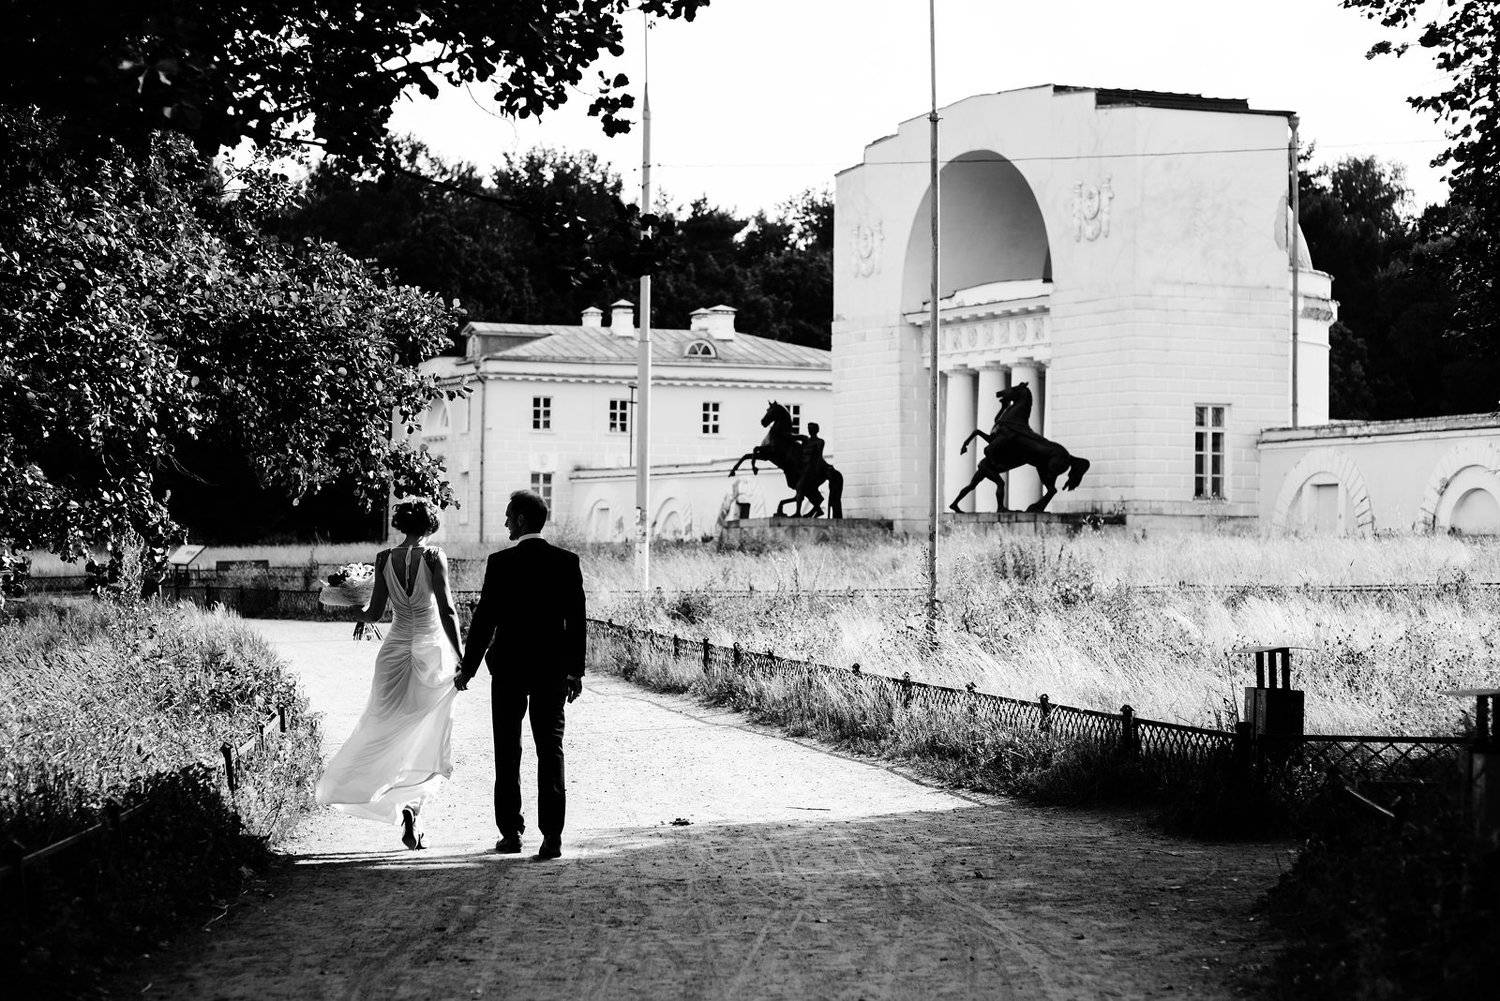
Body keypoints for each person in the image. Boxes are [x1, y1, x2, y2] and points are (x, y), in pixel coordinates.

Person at [315, 499, 463, 850]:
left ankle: (372, 789)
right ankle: (412, 805)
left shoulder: (383, 559)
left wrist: (349, 602)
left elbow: (374, 613)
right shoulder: (433, 557)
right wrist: (463, 656)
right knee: (425, 729)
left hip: (394, 651)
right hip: (430, 651)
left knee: (382, 725)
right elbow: (447, 609)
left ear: (401, 523)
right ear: (430, 524)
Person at [457, 489, 586, 861]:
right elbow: (576, 620)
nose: (506, 522)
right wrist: (575, 671)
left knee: (507, 750)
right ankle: (552, 838)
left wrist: (469, 668)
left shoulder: (500, 563)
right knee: (551, 750)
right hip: (551, 670)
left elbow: (484, 621)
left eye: (509, 516)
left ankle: (511, 833)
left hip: (509, 669)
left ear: (523, 520)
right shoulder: (566, 561)